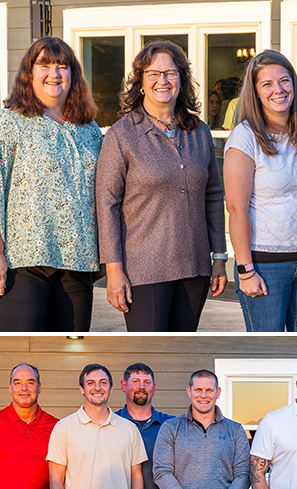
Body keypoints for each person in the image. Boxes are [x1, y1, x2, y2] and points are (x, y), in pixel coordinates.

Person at [0, 37, 102, 331]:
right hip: (22, 265)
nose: (54, 73)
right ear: (28, 74)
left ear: (73, 75)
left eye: (62, 66)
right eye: (44, 65)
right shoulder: (8, 123)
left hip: (77, 266)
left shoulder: (88, 128)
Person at [97, 41, 227, 331]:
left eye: (171, 73)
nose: (163, 80)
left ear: (182, 80)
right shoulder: (121, 135)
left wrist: (219, 256)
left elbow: (214, 196)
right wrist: (114, 270)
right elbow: (107, 205)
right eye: (154, 73)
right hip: (144, 269)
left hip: (194, 266)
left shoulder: (199, 131)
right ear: (141, 82)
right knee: (148, 347)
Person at [224, 50, 297, 332]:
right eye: (267, 84)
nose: (278, 90)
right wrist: (245, 269)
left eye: (284, 81)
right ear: (256, 93)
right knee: (267, 349)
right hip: (264, 263)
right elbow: (236, 208)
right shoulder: (245, 136)